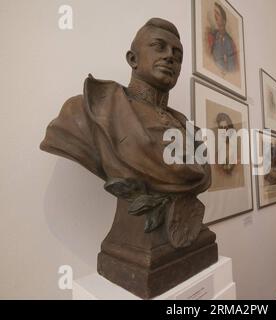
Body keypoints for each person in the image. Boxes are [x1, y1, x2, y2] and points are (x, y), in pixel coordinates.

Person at [40, 18, 211, 248]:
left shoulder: (191, 132)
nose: (170, 56)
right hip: (134, 250)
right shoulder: (85, 111)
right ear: (133, 59)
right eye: (159, 47)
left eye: (177, 55)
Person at [207, 2, 238, 73]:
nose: (215, 16)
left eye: (217, 13)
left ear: (224, 20)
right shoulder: (212, 35)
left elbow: (231, 68)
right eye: (214, 13)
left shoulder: (230, 42)